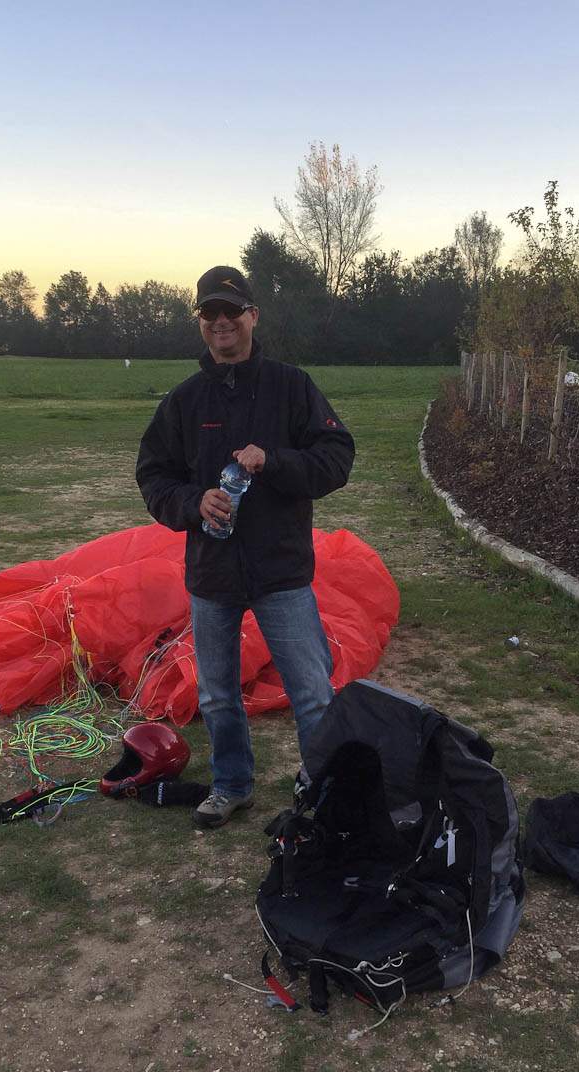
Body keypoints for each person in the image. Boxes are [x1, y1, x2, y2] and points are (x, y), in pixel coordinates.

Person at [136, 265, 355, 829]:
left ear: (253, 316)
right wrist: (194, 503)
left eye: (231, 311)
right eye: (209, 313)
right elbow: (153, 476)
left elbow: (336, 459)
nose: (221, 322)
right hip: (212, 575)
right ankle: (232, 785)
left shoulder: (292, 386)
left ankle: (324, 794)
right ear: (200, 323)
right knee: (216, 695)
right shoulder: (184, 401)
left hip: (281, 572)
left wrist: (274, 461)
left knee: (312, 693)